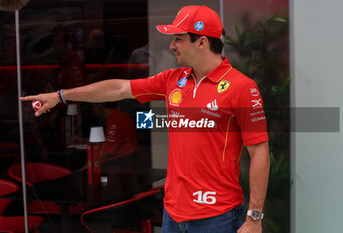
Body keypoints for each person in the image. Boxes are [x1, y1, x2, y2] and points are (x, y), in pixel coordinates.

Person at [21, 5, 270, 233]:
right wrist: (60, 96)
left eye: (178, 39)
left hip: (217, 217)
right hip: (172, 213)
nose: (172, 45)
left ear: (202, 42)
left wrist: (254, 218)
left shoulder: (241, 88)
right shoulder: (173, 79)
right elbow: (118, 89)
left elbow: (259, 153)